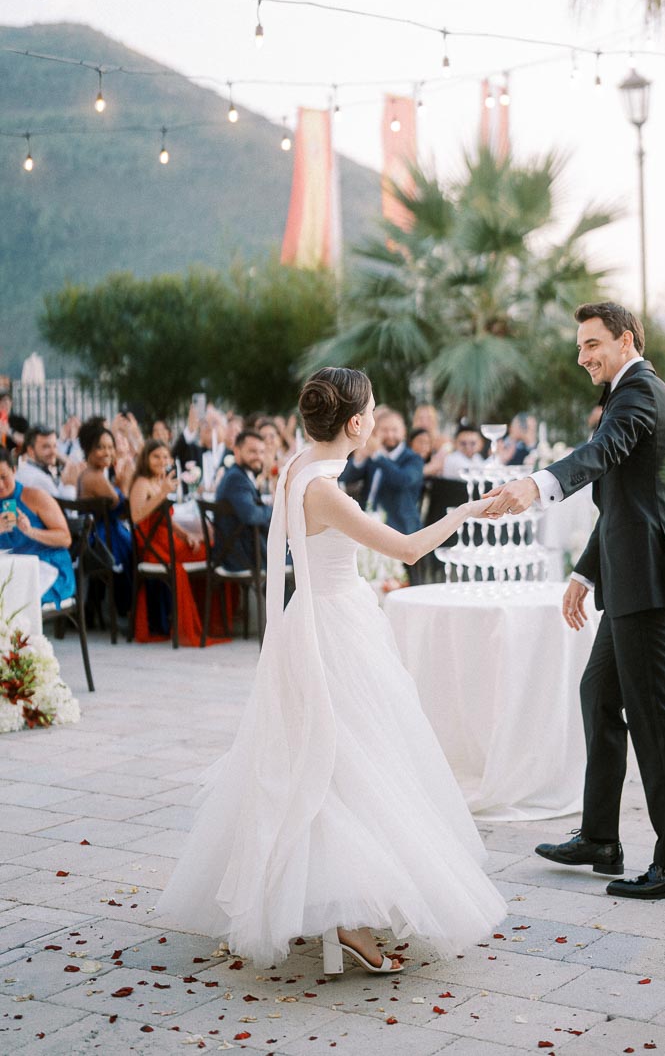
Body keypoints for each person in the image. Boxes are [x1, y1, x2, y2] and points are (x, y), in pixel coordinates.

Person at [156, 367, 506, 972]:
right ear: (354, 423)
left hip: (313, 618)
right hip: (336, 626)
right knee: (344, 763)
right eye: (370, 409)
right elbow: (404, 548)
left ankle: (319, 905)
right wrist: (465, 511)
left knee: (327, 759)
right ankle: (343, 918)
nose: (375, 416)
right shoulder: (325, 489)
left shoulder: (299, 466)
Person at [482, 302, 665, 902]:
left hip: (648, 585)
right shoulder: (633, 393)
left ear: (625, 339)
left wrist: (536, 483)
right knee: (598, 693)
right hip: (631, 578)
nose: (583, 356)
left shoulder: (639, 395)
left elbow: (603, 455)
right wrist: (585, 572)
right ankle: (600, 838)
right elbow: (626, 506)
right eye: (579, 347)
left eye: (592, 344)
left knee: (658, 726)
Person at [129, 439, 214, 647]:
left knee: (209, 547)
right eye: (156, 456)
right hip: (154, 547)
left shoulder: (161, 481)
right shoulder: (142, 482)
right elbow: (136, 516)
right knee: (213, 552)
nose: (161, 460)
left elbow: (165, 518)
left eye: (165, 456)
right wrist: (162, 493)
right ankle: (204, 622)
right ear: (146, 459)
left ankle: (209, 619)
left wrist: (186, 535)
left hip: (167, 539)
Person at [0, 447, 75, 610]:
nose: (0, 484)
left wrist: (30, 531)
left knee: (13, 600)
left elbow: (65, 539)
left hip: (48, 569)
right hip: (10, 573)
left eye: (3, 477)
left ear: (14, 470)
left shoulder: (35, 497)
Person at [76, 417, 134, 616]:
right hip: (102, 540)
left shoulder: (94, 473)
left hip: (103, 533)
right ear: (88, 449)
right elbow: (124, 509)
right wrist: (125, 482)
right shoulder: (94, 476)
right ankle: (131, 609)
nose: (107, 453)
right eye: (100, 447)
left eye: (111, 447)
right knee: (141, 548)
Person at [341, 410, 424, 533]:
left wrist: (378, 456)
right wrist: (359, 458)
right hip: (366, 522)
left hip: (399, 528)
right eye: (385, 430)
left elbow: (402, 480)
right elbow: (345, 477)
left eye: (395, 430)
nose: (390, 435)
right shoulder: (372, 456)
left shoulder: (413, 459)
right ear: (376, 433)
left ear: (404, 432)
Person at [216, 430, 272, 570]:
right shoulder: (237, 479)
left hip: (241, 553)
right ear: (237, 451)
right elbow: (251, 515)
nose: (258, 457)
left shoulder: (238, 474)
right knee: (300, 556)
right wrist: (274, 510)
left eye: (261, 452)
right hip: (241, 558)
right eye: (252, 451)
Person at [16, 426, 83, 500]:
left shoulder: (28, 470)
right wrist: (70, 485)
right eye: (46, 447)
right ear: (31, 450)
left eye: (55, 446)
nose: (53, 452)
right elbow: (65, 510)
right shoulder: (38, 479)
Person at [0, 387, 27, 454]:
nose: (2, 404)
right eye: (0, 401)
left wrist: (9, 431)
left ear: (11, 403)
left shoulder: (19, 421)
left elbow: (27, 441)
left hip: (14, 457)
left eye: (5, 400)